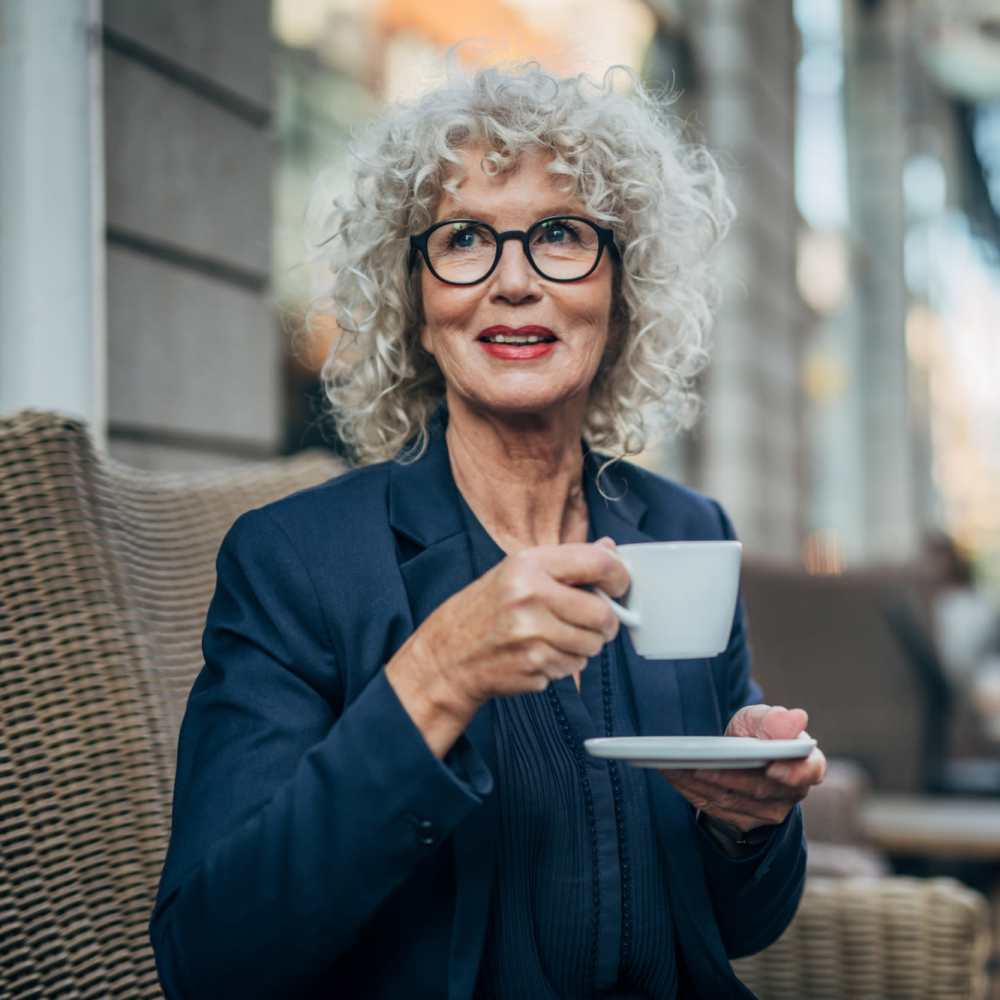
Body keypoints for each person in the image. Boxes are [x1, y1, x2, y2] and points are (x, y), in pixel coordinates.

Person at [150, 64, 825, 999]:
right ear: (414, 304)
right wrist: (438, 677)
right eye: (465, 239)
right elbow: (208, 960)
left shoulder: (683, 532)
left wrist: (746, 820)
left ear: (622, 294)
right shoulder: (297, 564)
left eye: (559, 234)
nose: (512, 281)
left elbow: (743, 923)